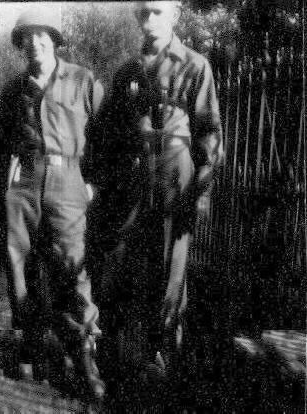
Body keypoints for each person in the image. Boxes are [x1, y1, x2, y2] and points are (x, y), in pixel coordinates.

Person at [0, 8, 106, 400]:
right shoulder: (14, 89)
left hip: (68, 178)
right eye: (28, 37)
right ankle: (31, 341)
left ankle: (84, 349)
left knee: (73, 263)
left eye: (43, 36)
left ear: (55, 40)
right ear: (20, 44)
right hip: (25, 182)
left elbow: (107, 138)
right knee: (21, 261)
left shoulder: (83, 80)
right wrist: (0, 183)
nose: (35, 43)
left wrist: (93, 182)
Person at [103, 1, 223, 376]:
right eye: (144, 13)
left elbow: (210, 134)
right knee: (123, 258)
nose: (150, 20)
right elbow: (109, 131)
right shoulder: (127, 71)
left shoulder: (194, 64)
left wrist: (200, 193)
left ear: (173, 14)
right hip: (133, 175)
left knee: (170, 264)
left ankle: (161, 355)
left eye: (157, 11)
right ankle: (119, 351)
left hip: (174, 172)